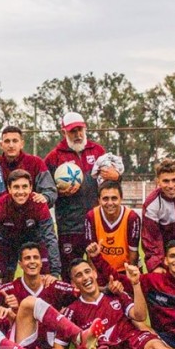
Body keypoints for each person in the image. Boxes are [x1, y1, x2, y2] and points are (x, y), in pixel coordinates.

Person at [44, 112, 116, 278]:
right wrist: (59, 192)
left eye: (80, 130)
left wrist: (116, 177)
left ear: (85, 128)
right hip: (69, 225)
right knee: (71, 271)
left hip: (96, 223)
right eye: (72, 131)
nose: (77, 134)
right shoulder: (54, 157)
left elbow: (111, 184)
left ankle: (101, 303)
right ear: (64, 132)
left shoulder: (98, 151)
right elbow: (46, 193)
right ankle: (72, 303)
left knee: (99, 270)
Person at [0, 169, 61, 280]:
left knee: (43, 278)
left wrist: (55, 272)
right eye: (16, 187)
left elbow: (50, 238)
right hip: (6, 242)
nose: (21, 192)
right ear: (9, 189)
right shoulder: (0, 205)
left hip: (34, 241)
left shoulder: (39, 204)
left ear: (31, 188)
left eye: (24, 187)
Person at [83, 180, 141, 276]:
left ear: (121, 199)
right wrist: (95, 277)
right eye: (105, 199)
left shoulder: (131, 217)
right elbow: (90, 253)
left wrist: (129, 279)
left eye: (114, 198)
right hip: (102, 271)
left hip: (125, 269)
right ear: (99, 200)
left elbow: (133, 253)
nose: (110, 203)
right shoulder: (91, 216)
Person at [0, 125, 57, 207]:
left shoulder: (36, 162)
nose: (11, 145)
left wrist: (45, 197)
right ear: (1, 145)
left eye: (15, 141)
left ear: (22, 144)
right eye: (7, 141)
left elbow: (50, 191)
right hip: (2, 216)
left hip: (31, 216)